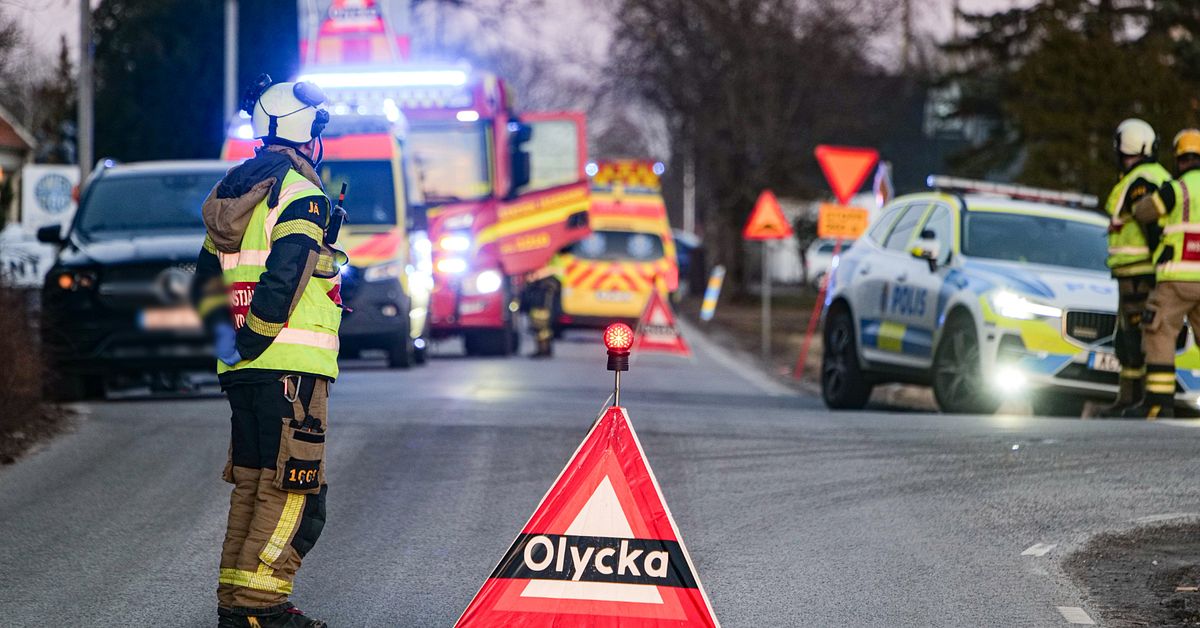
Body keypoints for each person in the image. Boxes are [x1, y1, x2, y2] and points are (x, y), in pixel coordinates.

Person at [192, 74, 343, 627]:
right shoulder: (302, 195)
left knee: (255, 485)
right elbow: (286, 275)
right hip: (290, 369)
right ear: (306, 135)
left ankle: (236, 606)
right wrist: (257, 339)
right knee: (296, 495)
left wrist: (229, 349)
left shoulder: (229, 194)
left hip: (243, 371)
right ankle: (262, 609)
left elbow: (203, 283)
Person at [1122, 128, 1200, 419]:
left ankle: (1157, 403)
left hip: (1176, 279)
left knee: (1159, 333)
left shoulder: (1175, 188)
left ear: (1180, 159)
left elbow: (1144, 212)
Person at [1099, 119, 1171, 416]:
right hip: (1133, 271)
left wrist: (1158, 264)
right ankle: (1127, 398)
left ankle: (1136, 399)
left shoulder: (1141, 181)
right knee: (1127, 335)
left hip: (1140, 271)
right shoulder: (1148, 176)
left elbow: (1151, 225)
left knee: (1135, 336)